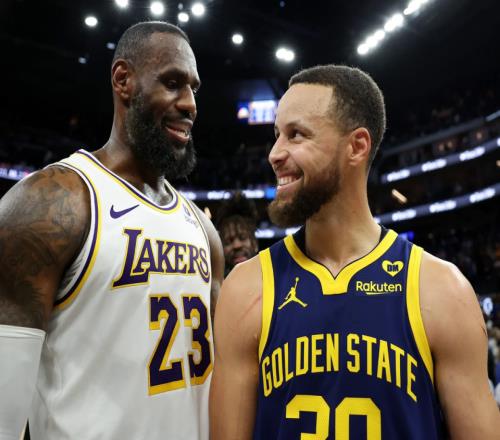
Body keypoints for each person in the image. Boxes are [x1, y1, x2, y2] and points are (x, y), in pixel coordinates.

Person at [210, 65, 500, 439]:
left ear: (357, 146)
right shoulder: (246, 288)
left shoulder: (442, 291)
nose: (274, 154)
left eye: (296, 135)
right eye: (276, 135)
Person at [0, 21, 223, 440]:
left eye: (194, 88)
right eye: (172, 83)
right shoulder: (50, 204)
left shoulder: (203, 230)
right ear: (123, 80)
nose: (190, 104)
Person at [216, 191, 259, 275]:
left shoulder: (272, 276)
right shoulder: (216, 282)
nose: (237, 245)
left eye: (243, 238)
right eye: (229, 241)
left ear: (255, 243)